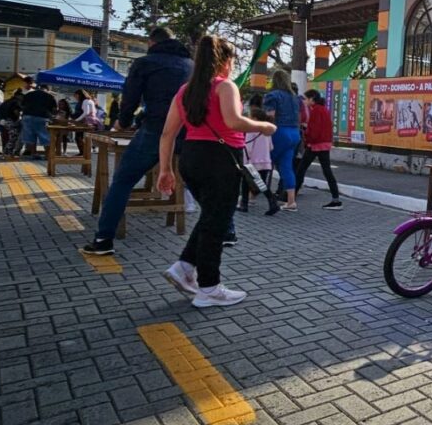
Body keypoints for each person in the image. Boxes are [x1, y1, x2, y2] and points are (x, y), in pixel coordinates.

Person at [157, 35, 275, 307]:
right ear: (224, 61)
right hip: (220, 159)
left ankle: (185, 267)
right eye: (232, 60)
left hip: (191, 157)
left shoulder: (185, 91)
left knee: (211, 217)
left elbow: (167, 134)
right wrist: (263, 127)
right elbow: (234, 121)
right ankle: (209, 288)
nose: (233, 66)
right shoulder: (225, 87)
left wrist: (166, 169)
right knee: (217, 224)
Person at [79, 27, 192, 256]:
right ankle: (227, 233)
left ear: (151, 43)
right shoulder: (192, 66)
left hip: (155, 131)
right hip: (189, 133)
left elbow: (130, 99)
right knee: (199, 183)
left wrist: (121, 123)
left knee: (122, 181)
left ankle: (103, 240)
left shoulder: (144, 63)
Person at [294, 89, 343, 209]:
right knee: (327, 172)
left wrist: (306, 134)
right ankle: (335, 199)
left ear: (312, 99)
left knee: (300, 170)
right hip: (324, 143)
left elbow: (314, 132)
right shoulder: (323, 109)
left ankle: (290, 197)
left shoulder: (316, 110)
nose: (305, 101)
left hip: (316, 144)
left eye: (306, 99)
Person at [263, 69, 302, 211]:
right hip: (294, 133)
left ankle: (250, 196)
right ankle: (291, 201)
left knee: (263, 163)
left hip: (279, 132)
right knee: (286, 167)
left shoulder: (272, 96)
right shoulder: (295, 98)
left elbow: (270, 115)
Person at [238, 107, 278, 216]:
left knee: (245, 183)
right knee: (262, 184)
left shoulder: (251, 130)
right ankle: (272, 202)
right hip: (265, 161)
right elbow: (271, 147)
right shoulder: (266, 130)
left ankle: (244, 204)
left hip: (253, 162)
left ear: (254, 118)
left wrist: (244, 160)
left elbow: (248, 148)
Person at [20, 82, 57, 159]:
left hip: (27, 117)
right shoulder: (49, 96)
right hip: (42, 117)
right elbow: (54, 109)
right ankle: (47, 155)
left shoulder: (28, 94)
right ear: (48, 89)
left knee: (31, 136)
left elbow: (22, 105)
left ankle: (34, 154)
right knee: (45, 137)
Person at [0, 90, 22, 156]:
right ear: (18, 96)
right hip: (12, 121)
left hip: (3, 121)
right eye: (21, 96)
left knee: (6, 137)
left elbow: (0, 109)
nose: (22, 98)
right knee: (13, 137)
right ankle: (8, 153)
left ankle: (5, 152)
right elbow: (16, 111)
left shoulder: (6, 101)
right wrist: (18, 118)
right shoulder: (16, 102)